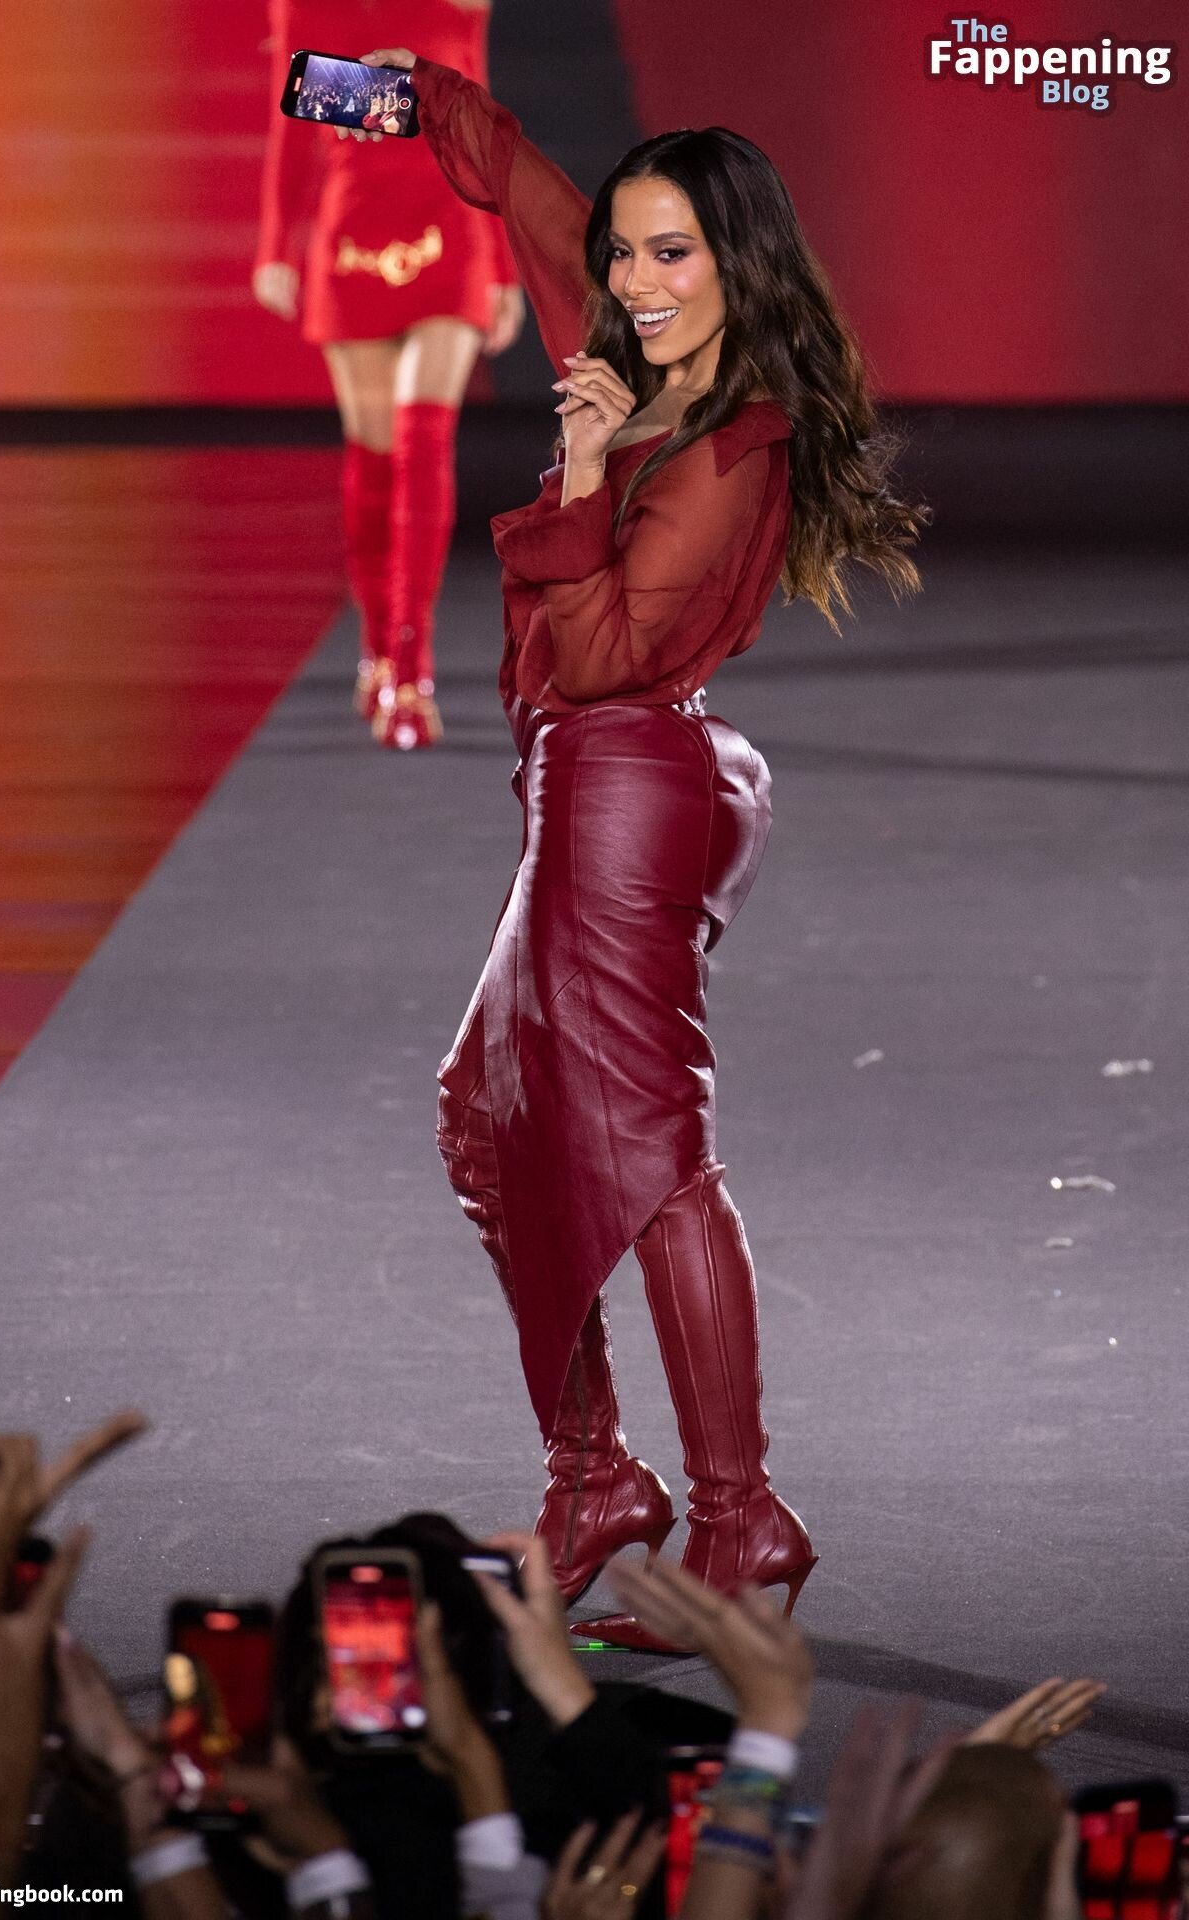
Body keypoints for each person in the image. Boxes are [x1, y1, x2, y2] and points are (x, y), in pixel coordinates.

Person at [353, 43, 928, 1649]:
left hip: (628, 785)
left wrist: (592, 471)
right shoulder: (623, 346)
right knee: (486, 1120)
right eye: (625, 252)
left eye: (673, 252)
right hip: (582, 784)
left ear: (738, 262)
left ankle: (739, 1518)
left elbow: (603, 654)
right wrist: (390, 99)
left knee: (654, 1160)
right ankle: (599, 1476)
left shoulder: (734, 449)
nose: (636, 280)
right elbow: (521, 185)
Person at [253, 3, 526, 750]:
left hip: (452, 231)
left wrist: (504, 265)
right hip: (355, 233)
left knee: (423, 440)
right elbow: (295, 118)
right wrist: (276, 246)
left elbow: (481, 123)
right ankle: (376, 648)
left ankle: (411, 672)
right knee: (373, 455)